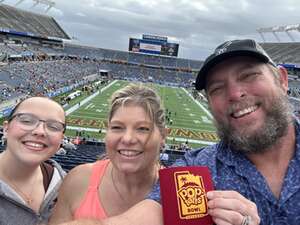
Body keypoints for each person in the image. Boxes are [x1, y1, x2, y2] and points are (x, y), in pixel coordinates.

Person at [54, 39, 299, 225]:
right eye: (217, 88)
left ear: (282, 79)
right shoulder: (195, 168)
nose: (235, 94)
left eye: (249, 75)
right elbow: (146, 214)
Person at [49, 84, 166, 223]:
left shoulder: (179, 192)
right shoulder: (78, 180)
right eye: (117, 127)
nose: (128, 138)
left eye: (142, 128)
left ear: (163, 135)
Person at [0, 96, 66, 225]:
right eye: (26, 120)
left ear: (61, 139)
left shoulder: (66, 185)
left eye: (53, 126)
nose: (39, 131)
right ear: (6, 129)